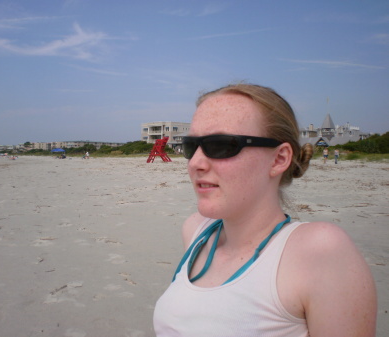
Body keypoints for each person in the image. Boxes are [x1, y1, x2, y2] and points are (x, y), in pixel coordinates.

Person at [153, 83, 376, 336]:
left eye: (222, 145)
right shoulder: (196, 231)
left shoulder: (319, 251)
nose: (195, 163)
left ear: (279, 159)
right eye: (192, 146)